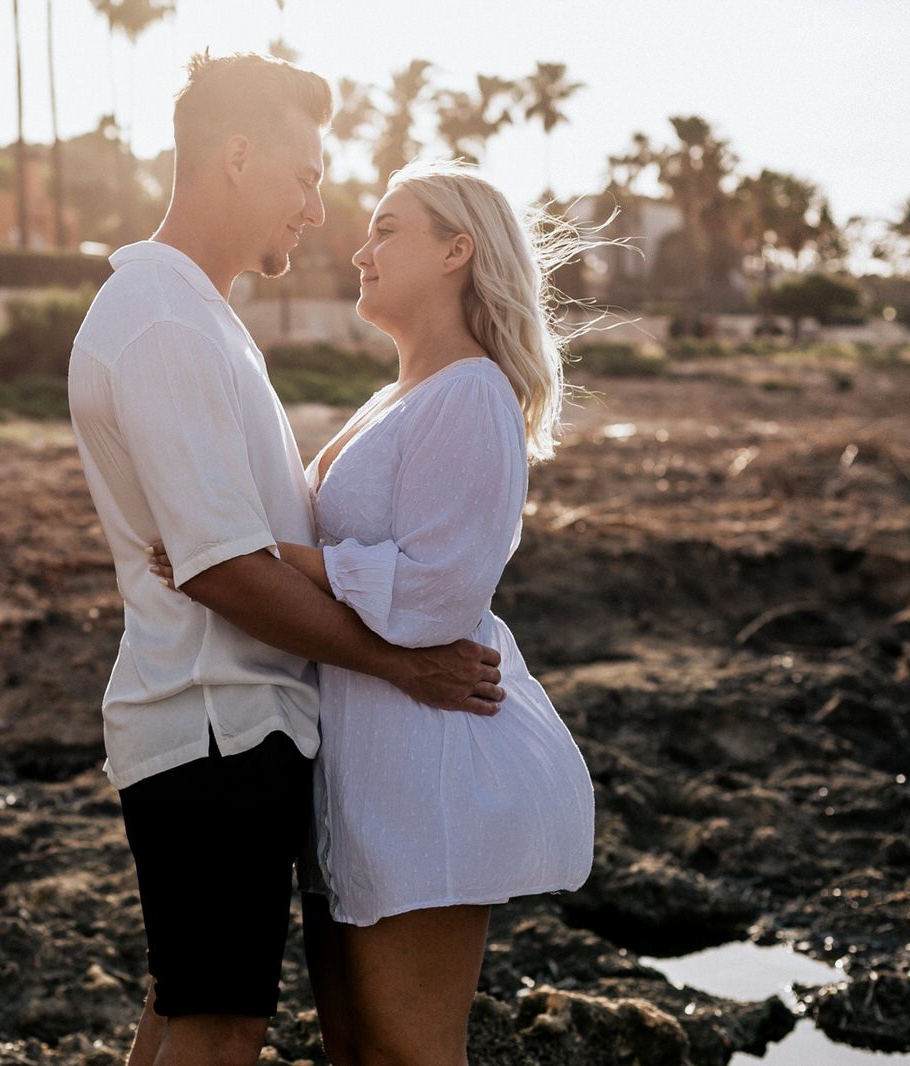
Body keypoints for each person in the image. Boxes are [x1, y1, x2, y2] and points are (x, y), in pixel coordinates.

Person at [67, 55, 505, 1066]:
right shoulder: (168, 322)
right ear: (235, 155)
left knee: (186, 1012)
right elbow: (223, 570)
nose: (317, 208)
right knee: (218, 1032)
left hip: (225, 720)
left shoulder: (198, 318)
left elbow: (240, 547)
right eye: (305, 175)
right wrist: (402, 663)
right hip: (219, 721)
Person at [154, 159, 595, 1066]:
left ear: (457, 252)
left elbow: (439, 594)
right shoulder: (401, 397)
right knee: (358, 1048)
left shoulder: (472, 393)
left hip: (426, 759)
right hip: (359, 757)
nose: (359, 249)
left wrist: (259, 556)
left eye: (387, 229)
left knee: (408, 1051)